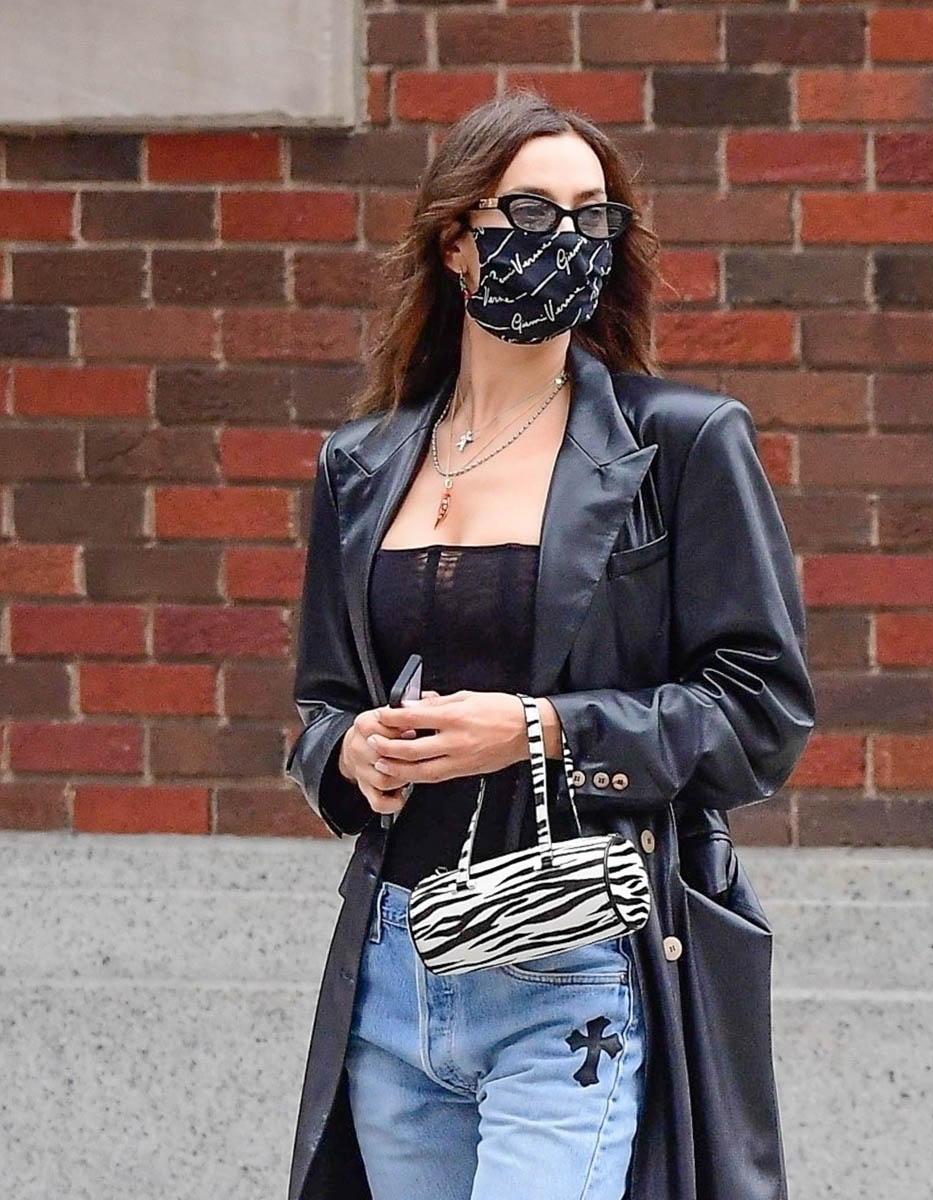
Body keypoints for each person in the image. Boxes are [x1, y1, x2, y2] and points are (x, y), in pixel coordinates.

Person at [285, 90, 816, 1200]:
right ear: (455, 242)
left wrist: (541, 731)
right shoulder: (361, 465)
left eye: (593, 217)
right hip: (397, 964)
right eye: (531, 213)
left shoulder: (681, 443)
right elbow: (322, 706)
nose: (566, 241)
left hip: (573, 962)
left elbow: (759, 712)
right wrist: (352, 752)